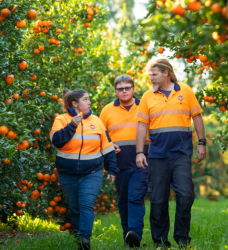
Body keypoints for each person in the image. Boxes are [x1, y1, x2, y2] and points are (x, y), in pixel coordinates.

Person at [135, 58, 207, 249]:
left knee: (186, 195)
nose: (151, 78)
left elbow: (197, 117)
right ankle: (160, 242)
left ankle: (182, 239)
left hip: (181, 154)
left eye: (154, 74)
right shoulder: (147, 97)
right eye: (150, 74)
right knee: (158, 200)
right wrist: (140, 152)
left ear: (166, 73)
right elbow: (142, 126)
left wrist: (202, 142)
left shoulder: (185, 91)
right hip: (157, 155)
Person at [49, 88, 118, 250]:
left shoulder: (96, 120)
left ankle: (84, 239)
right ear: (75, 103)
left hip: (92, 172)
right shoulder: (61, 119)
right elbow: (56, 140)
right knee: (75, 209)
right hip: (67, 174)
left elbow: (107, 147)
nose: (89, 102)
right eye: (85, 99)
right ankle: (78, 239)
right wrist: (72, 126)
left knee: (86, 204)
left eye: (89, 99)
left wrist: (112, 169)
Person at [99, 75, 149, 248]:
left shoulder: (144, 106)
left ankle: (135, 232)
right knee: (123, 200)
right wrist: (109, 146)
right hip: (119, 163)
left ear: (134, 89)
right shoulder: (107, 111)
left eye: (128, 87)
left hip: (141, 161)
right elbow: (100, 137)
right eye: (121, 88)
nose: (124, 91)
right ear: (115, 90)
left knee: (135, 196)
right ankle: (128, 236)